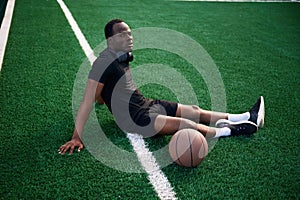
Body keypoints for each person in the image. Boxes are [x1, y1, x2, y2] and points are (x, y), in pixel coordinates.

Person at [58, 19, 265, 155]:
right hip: (135, 119)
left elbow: (101, 96)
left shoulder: (124, 56)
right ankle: (230, 131)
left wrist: (103, 97)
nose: (130, 37)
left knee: (193, 110)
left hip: (146, 103)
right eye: (123, 34)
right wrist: (76, 137)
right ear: (111, 40)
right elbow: (87, 101)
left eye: (130, 33)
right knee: (185, 123)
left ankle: (246, 116)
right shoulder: (102, 63)